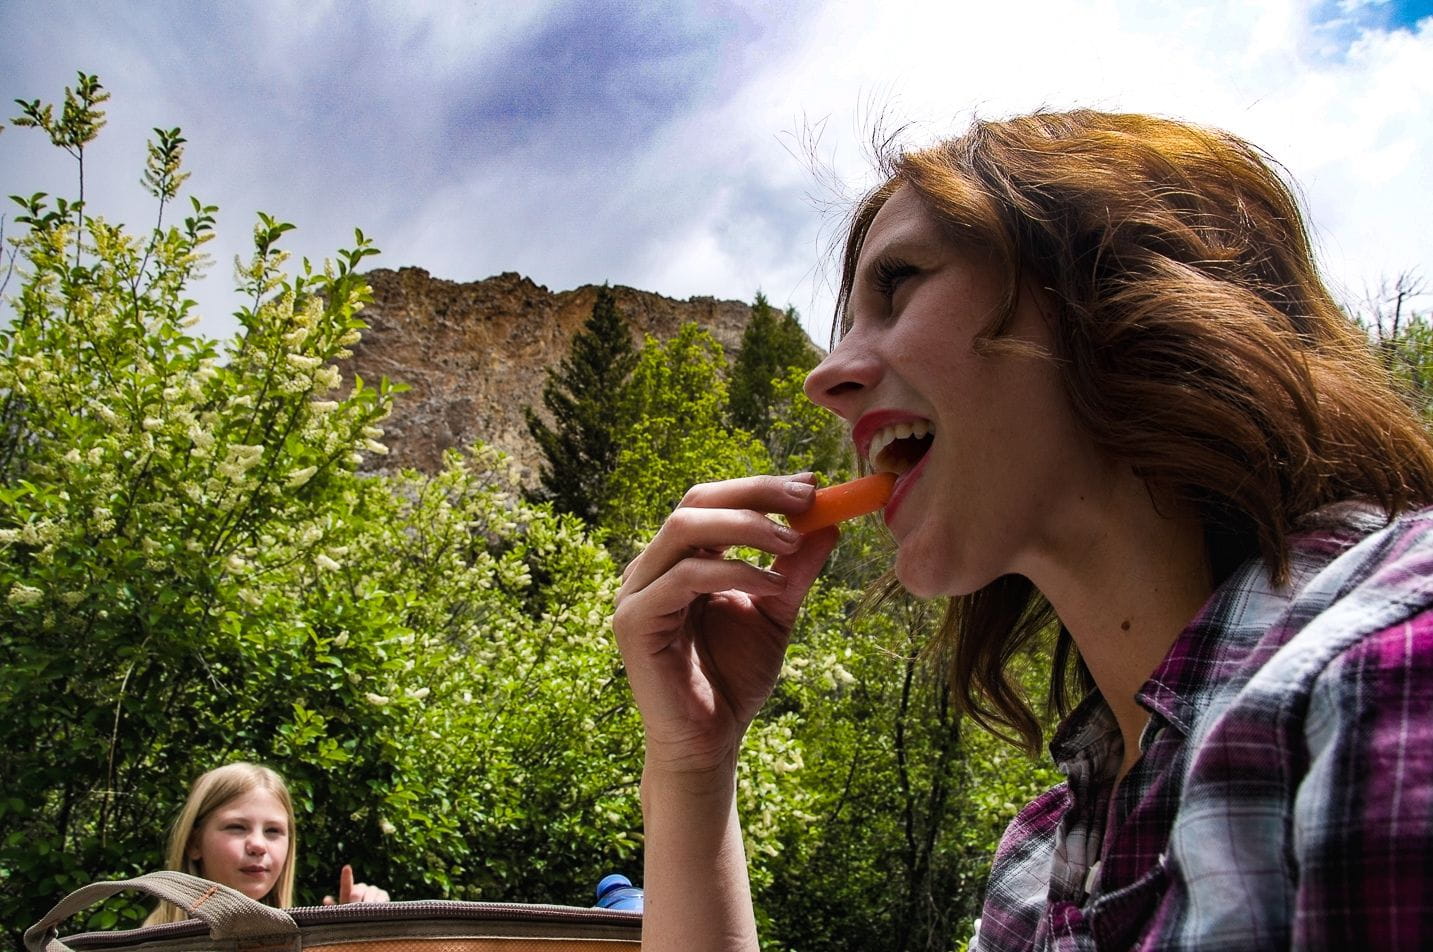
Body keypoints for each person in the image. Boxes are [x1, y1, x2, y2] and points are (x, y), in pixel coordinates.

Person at [612, 108, 1433, 951]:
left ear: (1119, 282)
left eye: (898, 284)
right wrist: (692, 769)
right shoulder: (1038, 872)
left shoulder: (1388, 663)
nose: (826, 377)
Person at [144, 762, 389, 924]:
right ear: (193, 843)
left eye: (273, 831)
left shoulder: (296, 942)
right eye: (237, 828)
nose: (258, 845)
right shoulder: (146, 945)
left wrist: (355, 937)